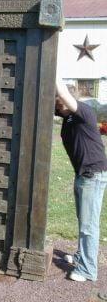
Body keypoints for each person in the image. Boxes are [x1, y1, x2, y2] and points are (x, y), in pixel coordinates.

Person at [55, 81, 107, 282]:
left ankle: (87, 269)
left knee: (89, 225)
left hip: (93, 174)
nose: (57, 103)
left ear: (70, 98)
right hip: (84, 174)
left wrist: (53, 67)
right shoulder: (67, 116)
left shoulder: (83, 111)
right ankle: (81, 256)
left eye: (60, 99)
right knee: (84, 221)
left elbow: (64, 95)